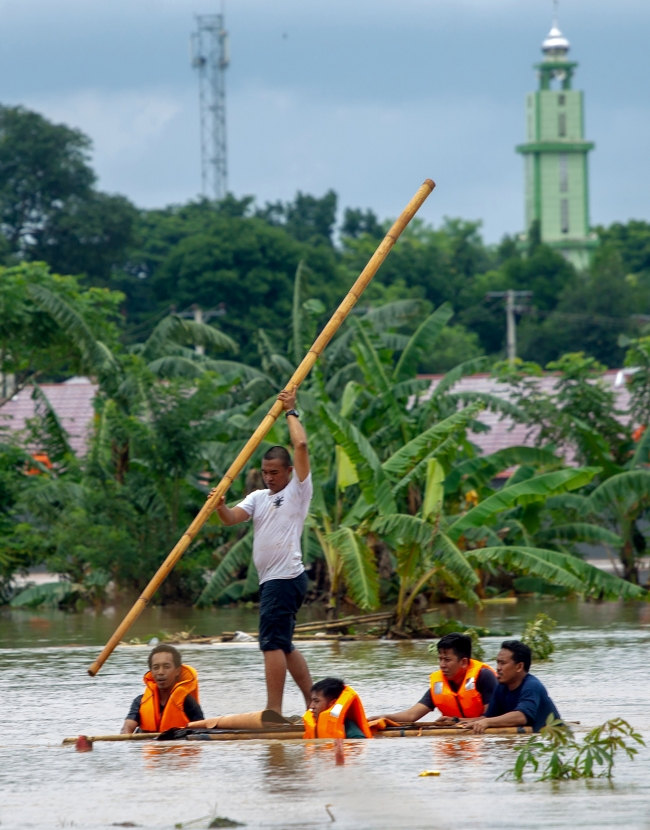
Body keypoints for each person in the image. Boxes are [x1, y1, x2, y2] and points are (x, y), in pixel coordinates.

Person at [212, 386, 313, 714]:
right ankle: (316, 703)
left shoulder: (298, 490)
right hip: (274, 580)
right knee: (282, 645)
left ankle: (274, 712)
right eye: (265, 472)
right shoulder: (257, 498)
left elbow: (301, 444)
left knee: (270, 643)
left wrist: (290, 410)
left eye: (274, 472)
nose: (269, 478)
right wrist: (219, 505)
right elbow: (230, 519)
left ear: (287, 471)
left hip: (285, 578)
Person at [380, 633, 497, 724]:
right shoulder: (439, 684)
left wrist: (457, 721)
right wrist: (384, 718)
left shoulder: (484, 677)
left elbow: (492, 717)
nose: (442, 665)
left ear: (463, 662)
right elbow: (410, 716)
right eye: (440, 659)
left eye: (447, 660)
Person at [465, 639, 561, 733]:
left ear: (519, 667)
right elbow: (488, 717)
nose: (498, 668)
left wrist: (487, 722)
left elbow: (522, 717)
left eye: (503, 663)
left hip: (552, 739)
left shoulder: (532, 686)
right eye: (497, 662)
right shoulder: (500, 687)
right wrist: (457, 721)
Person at [121, 645, 204, 734]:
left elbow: (202, 732)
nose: (160, 672)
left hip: (177, 746)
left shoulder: (188, 702)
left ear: (177, 671)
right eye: (156, 667)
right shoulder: (140, 701)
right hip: (150, 745)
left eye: (166, 667)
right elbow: (127, 727)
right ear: (151, 672)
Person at [303, 677, 372, 739]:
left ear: (332, 703)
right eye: (312, 701)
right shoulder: (315, 724)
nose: (311, 706)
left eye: (316, 701)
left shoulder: (354, 735)